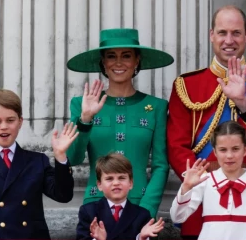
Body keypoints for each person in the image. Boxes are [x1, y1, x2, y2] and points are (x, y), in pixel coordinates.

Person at [167, 6, 246, 240]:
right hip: (202, 202)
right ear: (211, 35)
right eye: (222, 33)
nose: (229, 40)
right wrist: (210, 186)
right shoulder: (187, 85)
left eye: (236, 33)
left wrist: (245, 105)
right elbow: (176, 147)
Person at [66, 28, 173, 218]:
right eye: (111, 56)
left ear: (136, 60)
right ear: (103, 62)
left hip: (140, 206)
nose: (118, 62)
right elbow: (72, 158)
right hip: (96, 207)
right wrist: (85, 119)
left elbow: (161, 165)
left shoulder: (156, 106)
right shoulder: (80, 104)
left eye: (126, 56)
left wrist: (146, 211)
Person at [0, 89, 76, 240]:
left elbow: (63, 195)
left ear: (20, 122)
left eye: (10, 120)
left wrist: (60, 157)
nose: (4, 126)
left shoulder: (37, 160)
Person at [170, 121, 246, 240]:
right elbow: (177, 217)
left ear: (245, 150)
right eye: (223, 150)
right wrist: (186, 187)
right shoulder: (206, 179)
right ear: (215, 152)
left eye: (235, 149)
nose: (229, 155)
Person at [76, 153, 165, 240]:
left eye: (121, 178)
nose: (116, 183)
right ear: (99, 185)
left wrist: (141, 238)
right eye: (109, 179)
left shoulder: (142, 215)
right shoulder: (88, 212)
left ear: (130, 183)